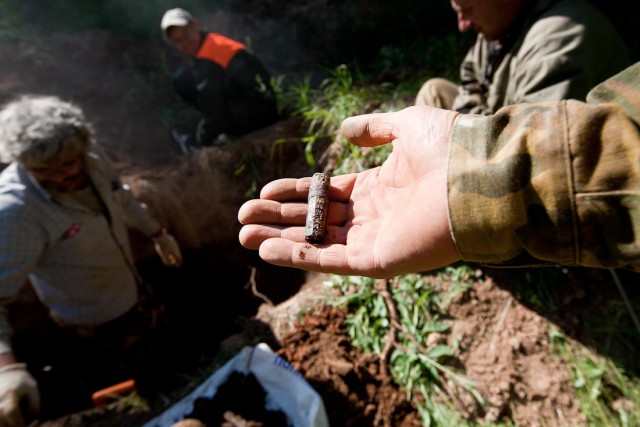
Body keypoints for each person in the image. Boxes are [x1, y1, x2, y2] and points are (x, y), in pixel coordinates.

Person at [238, 61, 640, 278]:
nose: (460, 17)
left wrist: (469, 164)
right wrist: (472, 156)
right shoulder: (488, 44)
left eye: (466, 6)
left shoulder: (558, 40)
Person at [0, 95, 183, 425]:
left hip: (131, 289)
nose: (61, 178)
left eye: (68, 164)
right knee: (117, 382)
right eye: (44, 171)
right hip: (90, 324)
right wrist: (7, 367)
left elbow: (121, 195)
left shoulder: (91, 155)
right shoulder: (16, 211)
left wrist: (157, 233)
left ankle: (171, 387)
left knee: (157, 351)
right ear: (21, 162)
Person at [415, 0, 630, 113]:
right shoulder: (497, 30)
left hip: (551, 157)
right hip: (502, 123)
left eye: (468, 9)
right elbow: (470, 80)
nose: (462, 24)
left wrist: (463, 127)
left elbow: (534, 142)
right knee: (434, 92)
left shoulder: (561, 33)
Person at [161, 7, 279, 153]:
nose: (185, 43)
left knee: (183, 81)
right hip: (263, 109)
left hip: (255, 119)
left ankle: (215, 137)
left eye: (186, 34)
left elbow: (215, 112)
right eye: (178, 41)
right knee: (185, 78)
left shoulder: (208, 58)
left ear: (196, 25)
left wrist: (202, 140)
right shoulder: (213, 42)